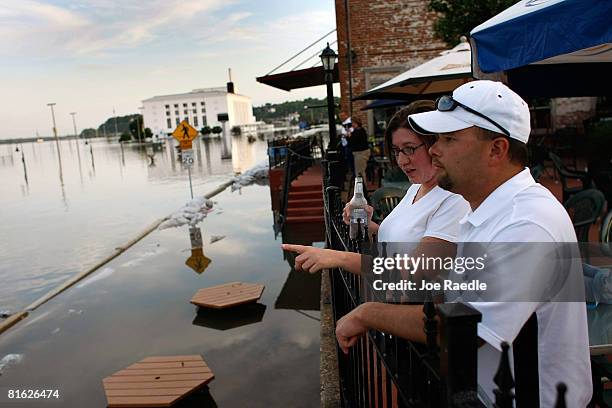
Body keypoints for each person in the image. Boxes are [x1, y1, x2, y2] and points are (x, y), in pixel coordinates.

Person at [334, 80, 591, 407]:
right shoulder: (484, 210)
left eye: (449, 139)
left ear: (496, 149)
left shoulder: (526, 223)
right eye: (436, 138)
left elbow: (461, 326)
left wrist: (367, 313)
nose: (435, 149)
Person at [282, 99, 470, 282]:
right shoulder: (416, 188)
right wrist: (367, 224)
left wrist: (339, 258)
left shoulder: (456, 199)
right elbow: (406, 237)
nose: (402, 161)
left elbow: (417, 272)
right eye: (397, 151)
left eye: (410, 149)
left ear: (434, 145)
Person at [347, 118, 371, 182]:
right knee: (359, 172)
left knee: (360, 173)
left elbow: (354, 141)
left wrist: (349, 136)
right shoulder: (356, 131)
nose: (352, 125)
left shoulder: (360, 131)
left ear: (357, 123)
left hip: (361, 153)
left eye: (353, 123)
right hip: (358, 153)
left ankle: (362, 189)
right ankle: (362, 188)